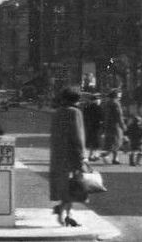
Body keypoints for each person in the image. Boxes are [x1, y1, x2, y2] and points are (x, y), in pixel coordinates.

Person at [49, 87, 87, 227]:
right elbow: (78, 136)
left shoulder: (57, 113)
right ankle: (62, 211)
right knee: (73, 186)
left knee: (66, 186)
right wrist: (82, 156)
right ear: (77, 99)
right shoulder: (75, 112)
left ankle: (68, 214)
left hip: (58, 156)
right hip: (72, 156)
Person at [101, 90, 126, 165]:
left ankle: (115, 159)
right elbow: (119, 116)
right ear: (116, 95)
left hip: (108, 125)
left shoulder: (106, 103)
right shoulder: (116, 103)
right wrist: (123, 126)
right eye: (119, 95)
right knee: (116, 142)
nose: (120, 96)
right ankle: (104, 155)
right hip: (115, 126)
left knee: (111, 142)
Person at [81, 91, 103, 162]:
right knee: (95, 142)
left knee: (89, 141)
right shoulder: (98, 107)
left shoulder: (87, 107)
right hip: (96, 126)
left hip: (88, 126)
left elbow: (84, 116)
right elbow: (101, 117)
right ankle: (93, 155)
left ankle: (88, 156)